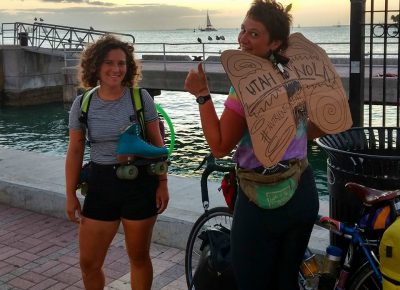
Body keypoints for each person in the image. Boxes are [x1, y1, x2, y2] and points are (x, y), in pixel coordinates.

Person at [184, 1, 327, 289]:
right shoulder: (294, 76)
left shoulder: (247, 87)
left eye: (254, 34)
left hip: (261, 201)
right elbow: (318, 126)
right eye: (242, 30)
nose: (242, 39)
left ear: (274, 42)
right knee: (285, 282)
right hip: (302, 191)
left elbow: (220, 145)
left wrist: (202, 95)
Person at [65, 34, 169, 290]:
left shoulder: (140, 98)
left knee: (139, 259)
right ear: (96, 66)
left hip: (139, 185)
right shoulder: (83, 104)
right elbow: (75, 149)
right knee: (89, 263)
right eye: (109, 63)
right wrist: (70, 194)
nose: (116, 69)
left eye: (122, 63)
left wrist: (162, 184)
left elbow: (158, 146)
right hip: (101, 186)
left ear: (129, 67)